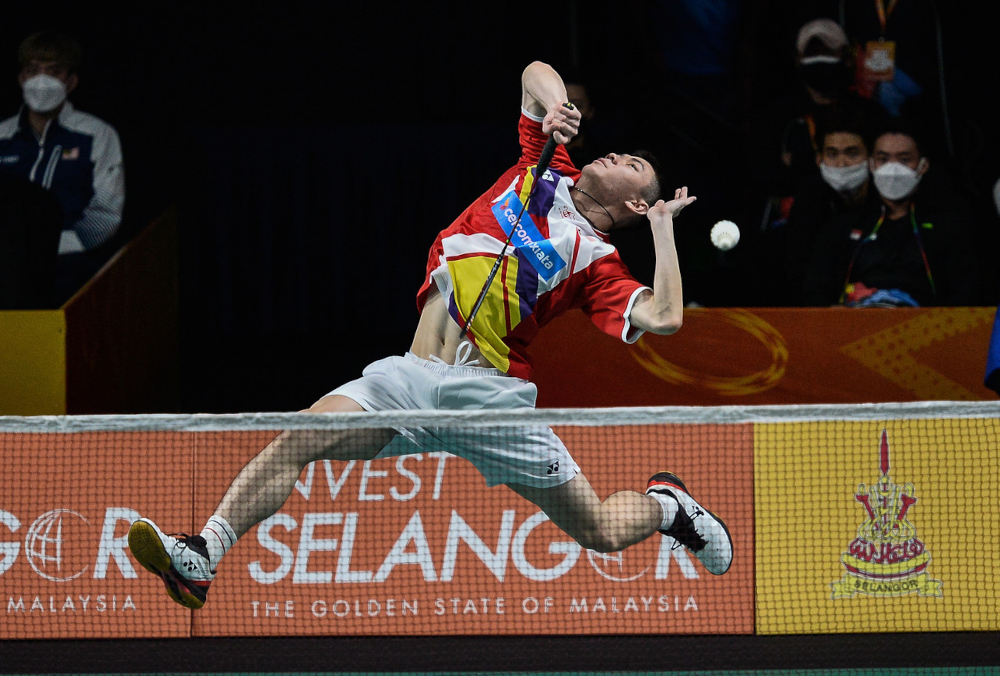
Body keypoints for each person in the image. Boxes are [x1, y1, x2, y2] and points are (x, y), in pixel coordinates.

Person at [127, 61, 733, 610]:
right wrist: (552, 109)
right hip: (409, 379)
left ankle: (667, 507)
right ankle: (202, 554)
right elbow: (532, 71)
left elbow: (665, 317)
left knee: (598, 530)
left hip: (491, 400)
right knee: (299, 436)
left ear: (633, 200)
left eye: (632, 166)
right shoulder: (540, 166)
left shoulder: (599, 261)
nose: (615, 156)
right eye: (622, 152)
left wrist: (660, 230)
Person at [0, 31, 125, 303]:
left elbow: (106, 212)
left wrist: (60, 247)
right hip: (6, 270)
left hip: (68, 269)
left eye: (53, 71)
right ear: (21, 78)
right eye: (33, 70)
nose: (41, 80)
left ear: (71, 82)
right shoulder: (2, 136)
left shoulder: (98, 134)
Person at [802, 121, 979, 307]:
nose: (893, 169)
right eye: (883, 159)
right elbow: (816, 289)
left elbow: (966, 293)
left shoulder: (948, 226)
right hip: (856, 326)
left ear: (923, 166)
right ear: (871, 164)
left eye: (904, 159)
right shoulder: (843, 227)